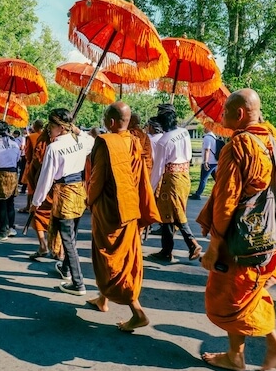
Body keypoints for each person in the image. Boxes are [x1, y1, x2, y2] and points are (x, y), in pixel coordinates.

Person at [196, 88, 276, 371]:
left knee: (231, 297)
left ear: (239, 113)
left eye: (224, 111)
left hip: (240, 239)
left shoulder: (238, 146)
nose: (220, 115)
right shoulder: (273, 140)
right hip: (269, 234)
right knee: (253, 291)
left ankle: (235, 356)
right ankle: (275, 346)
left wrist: (214, 246)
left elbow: (226, 202)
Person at [87, 101, 160, 331]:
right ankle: (102, 299)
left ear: (110, 122)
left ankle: (137, 312)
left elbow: (97, 179)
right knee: (122, 259)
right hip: (130, 209)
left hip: (109, 211)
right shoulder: (135, 141)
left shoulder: (104, 142)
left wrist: (89, 200)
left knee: (111, 262)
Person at [30, 108, 95, 296]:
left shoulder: (54, 147)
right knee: (71, 236)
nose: (49, 129)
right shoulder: (80, 141)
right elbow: (92, 141)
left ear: (61, 127)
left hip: (65, 194)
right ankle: (66, 269)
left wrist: (37, 201)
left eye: (51, 125)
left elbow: (46, 178)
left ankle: (78, 283)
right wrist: (78, 132)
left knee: (68, 240)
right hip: (78, 193)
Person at [149, 104, 202, 262]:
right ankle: (166, 250)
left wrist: (151, 188)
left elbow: (158, 168)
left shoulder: (163, 141)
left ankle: (192, 243)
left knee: (176, 212)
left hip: (171, 179)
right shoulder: (184, 132)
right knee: (168, 214)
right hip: (185, 175)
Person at [25, 128, 63, 260]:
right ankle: (60, 251)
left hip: (46, 182)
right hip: (63, 186)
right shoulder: (68, 142)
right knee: (60, 218)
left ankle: (43, 245)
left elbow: (33, 159)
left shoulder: (46, 144)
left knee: (37, 212)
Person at [19, 119, 44, 214]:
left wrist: (29, 162)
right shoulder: (47, 136)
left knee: (31, 187)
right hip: (44, 165)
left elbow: (28, 153)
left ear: (34, 127)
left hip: (32, 164)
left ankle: (28, 206)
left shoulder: (31, 137)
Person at [190, 125, 219, 200]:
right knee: (217, 179)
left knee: (203, 179)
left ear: (209, 128)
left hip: (208, 162)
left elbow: (207, 150)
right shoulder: (213, 137)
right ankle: (222, 192)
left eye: (205, 127)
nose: (203, 128)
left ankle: (198, 194)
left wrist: (205, 162)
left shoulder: (207, 138)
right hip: (215, 162)